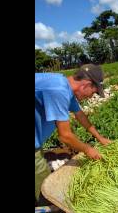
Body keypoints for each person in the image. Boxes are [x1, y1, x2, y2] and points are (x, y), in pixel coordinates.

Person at [35, 64, 111, 203]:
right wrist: (88, 149)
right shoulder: (59, 90)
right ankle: (44, 205)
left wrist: (100, 138)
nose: (91, 96)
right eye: (93, 92)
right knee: (41, 181)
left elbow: (80, 115)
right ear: (86, 85)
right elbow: (65, 136)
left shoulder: (65, 86)